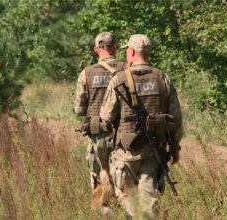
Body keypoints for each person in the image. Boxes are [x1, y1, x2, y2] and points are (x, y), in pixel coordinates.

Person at [100, 34, 183, 219]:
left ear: (131, 51)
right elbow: (176, 118)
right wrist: (175, 147)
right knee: (148, 197)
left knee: (128, 198)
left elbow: (106, 116)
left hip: (126, 153)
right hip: (154, 152)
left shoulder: (119, 79)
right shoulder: (163, 78)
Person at [74, 32, 126, 203]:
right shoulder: (127, 70)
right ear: (115, 47)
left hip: (98, 137)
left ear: (96, 50)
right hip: (124, 135)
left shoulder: (87, 73)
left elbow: (79, 109)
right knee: (126, 179)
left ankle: (106, 210)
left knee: (101, 178)